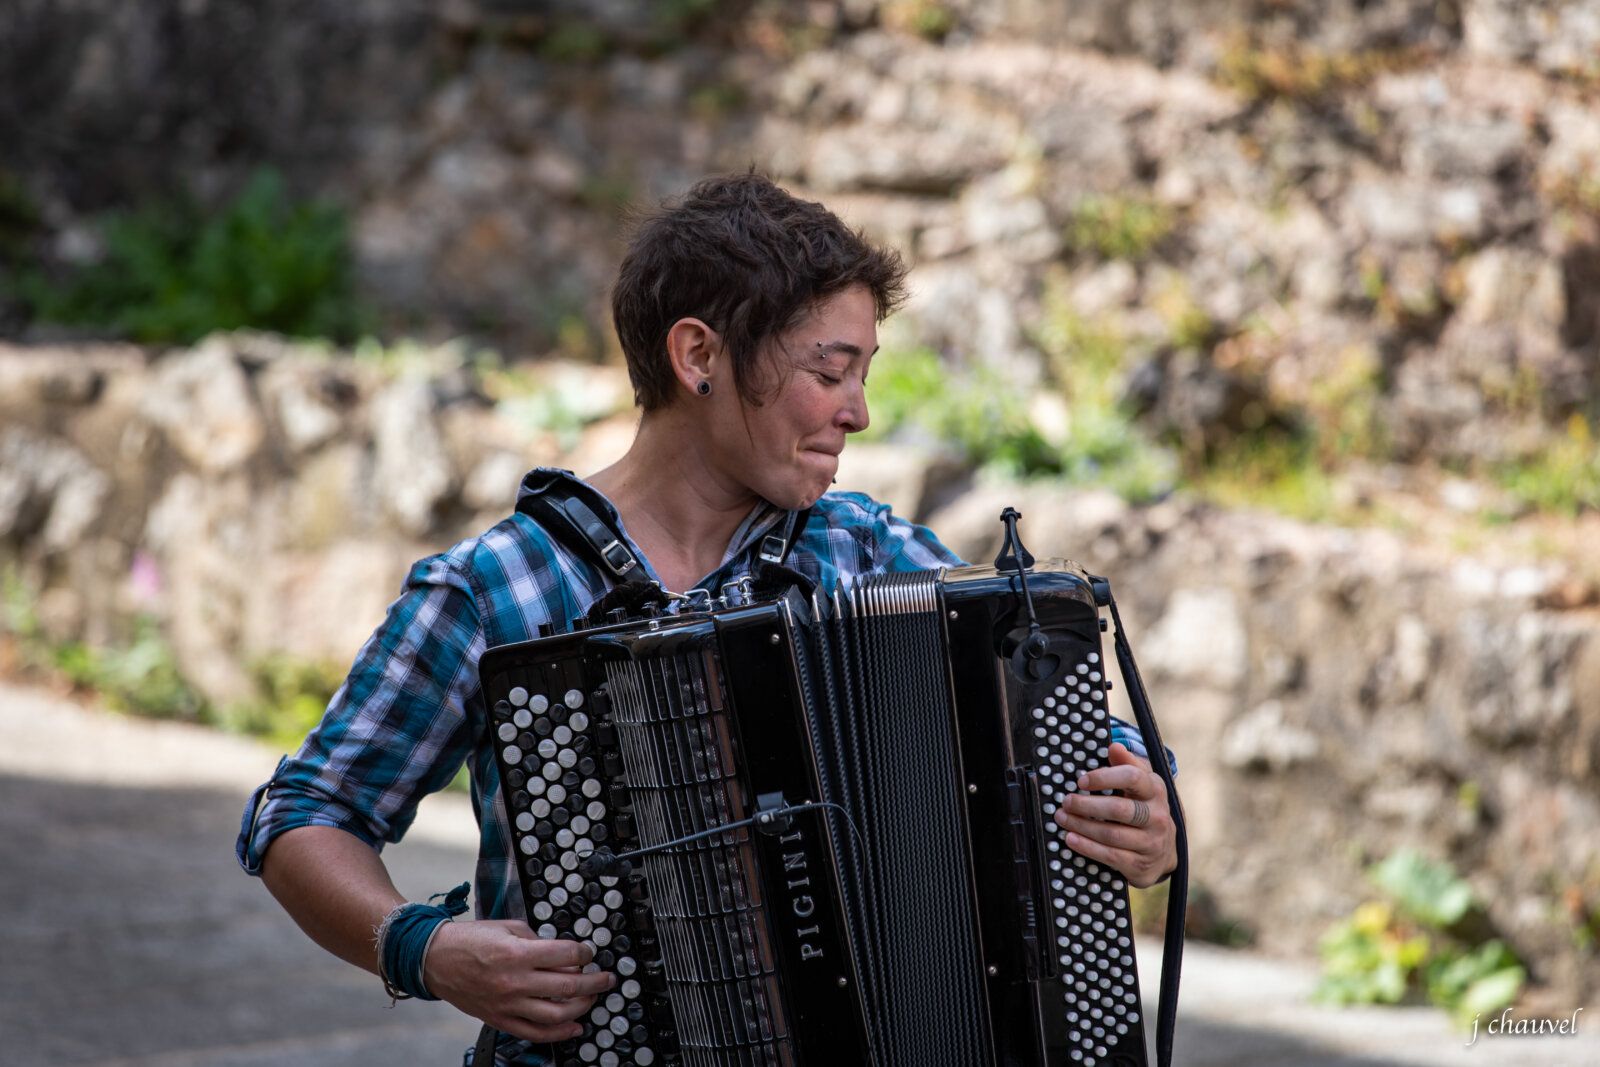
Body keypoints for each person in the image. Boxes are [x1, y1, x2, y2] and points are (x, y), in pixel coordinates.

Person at [237, 172, 1178, 1065]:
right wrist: (423, 947)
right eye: (830, 369)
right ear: (699, 356)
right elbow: (307, 813)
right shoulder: (498, 588)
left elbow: (1058, 727)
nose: (857, 412)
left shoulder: (863, 551)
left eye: (864, 372)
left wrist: (1141, 799)